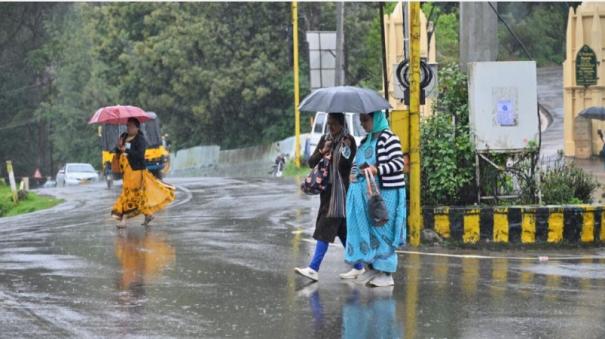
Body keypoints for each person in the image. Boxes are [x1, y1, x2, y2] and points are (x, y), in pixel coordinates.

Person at [295, 113, 364, 282]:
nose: (330, 128)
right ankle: (359, 267)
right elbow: (311, 162)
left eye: (333, 124)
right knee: (343, 232)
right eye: (328, 124)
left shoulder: (349, 141)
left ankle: (313, 268)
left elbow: (346, 164)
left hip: (340, 193)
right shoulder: (325, 139)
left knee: (325, 228)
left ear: (342, 124)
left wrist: (342, 149)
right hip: (327, 192)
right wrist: (323, 150)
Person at [345, 111, 406, 287]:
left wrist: (376, 169)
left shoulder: (389, 138)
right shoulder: (366, 140)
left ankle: (387, 273)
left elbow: (398, 163)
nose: (363, 124)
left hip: (388, 193)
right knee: (373, 232)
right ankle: (375, 268)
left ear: (376, 119)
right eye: (361, 120)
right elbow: (357, 162)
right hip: (370, 194)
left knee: (384, 231)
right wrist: (353, 172)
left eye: (365, 120)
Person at [111, 117, 176, 228]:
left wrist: (125, 150)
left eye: (131, 126)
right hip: (126, 172)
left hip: (137, 171)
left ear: (137, 127)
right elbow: (117, 151)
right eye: (127, 126)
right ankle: (148, 214)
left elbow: (139, 155)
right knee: (137, 196)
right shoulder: (123, 136)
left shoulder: (141, 139)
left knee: (131, 196)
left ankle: (124, 220)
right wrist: (118, 146)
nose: (128, 128)